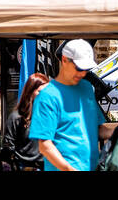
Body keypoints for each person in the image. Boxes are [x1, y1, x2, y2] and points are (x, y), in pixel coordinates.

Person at [28, 40, 103, 171]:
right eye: (79, 68)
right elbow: (44, 146)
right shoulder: (47, 96)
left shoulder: (87, 88)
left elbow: (97, 129)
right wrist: (69, 169)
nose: (82, 73)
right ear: (64, 60)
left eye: (86, 69)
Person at [0, 72, 50, 170]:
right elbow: (8, 145)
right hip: (24, 166)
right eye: (40, 91)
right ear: (30, 92)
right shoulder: (17, 117)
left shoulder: (50, 115)